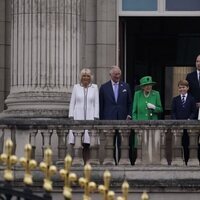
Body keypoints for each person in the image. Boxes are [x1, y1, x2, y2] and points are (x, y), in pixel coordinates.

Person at [99, 66, 132, 165]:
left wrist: (129, 115)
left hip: (123, 119)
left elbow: (130, 103)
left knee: (123, 143)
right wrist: (101, 121)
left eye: (119, 74)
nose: (118, 76)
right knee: (110, 143)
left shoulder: (126, 86)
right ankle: (111, 162)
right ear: (111, 75)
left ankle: (123, 162)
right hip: (109, 119)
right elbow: (101, 105)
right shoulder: (104, 87)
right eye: (115, 74)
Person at [68, 68, 99, 164]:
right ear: (81, 77)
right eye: (84, 76)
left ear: (91, 78)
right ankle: (77, 161)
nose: (86, 78)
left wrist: (96, 117)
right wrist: (71, 116)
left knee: (88, 141)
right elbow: (72, 103)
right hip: (78, 116)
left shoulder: (94, 87)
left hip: (90, 116)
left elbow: (96, 103)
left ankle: (87, 162)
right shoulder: (76, 87)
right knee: (77, 140)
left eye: (88, 76)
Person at [171, 80, 197, 165]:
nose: (182, 89)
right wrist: (175, 122)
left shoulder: (192, 99)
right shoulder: (175, 99)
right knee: (177, 145)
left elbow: (194, 112)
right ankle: (178, 161)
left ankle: (186, 161)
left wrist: (190, 119)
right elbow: (173, 112)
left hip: (188, 127)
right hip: (178, 127)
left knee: (187, 145)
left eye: (183, 87)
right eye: (180, 87)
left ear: (187, 88)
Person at [186, 54, 200, 161]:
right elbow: (188, 93)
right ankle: (190, 159)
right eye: (197, 61)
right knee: (192, 135)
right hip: (193, 110)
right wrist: (194, 103)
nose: (198, 63)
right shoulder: (190, 76)